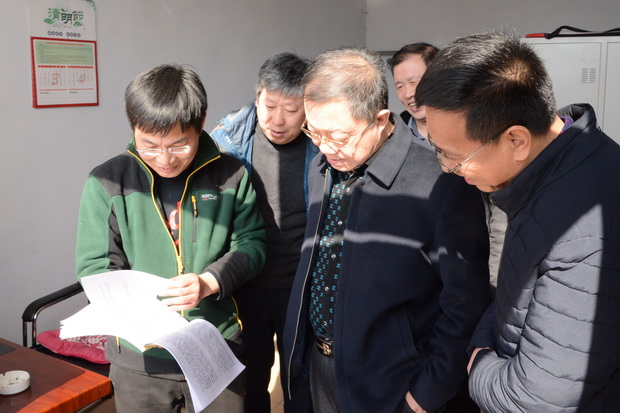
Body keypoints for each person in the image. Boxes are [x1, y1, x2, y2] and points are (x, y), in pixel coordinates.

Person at [416, 31, 620, 412]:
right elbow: (508, 301)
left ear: (516, 141)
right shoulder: (550, 168)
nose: (448, 169)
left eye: (456, 157)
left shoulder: (584, 231)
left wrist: (477, 362)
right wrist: (485, 340)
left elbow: (535, 400)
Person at [283, 47, 492, 413]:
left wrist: (426, 393)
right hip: (318, 367)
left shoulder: (439, 183)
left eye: (338, 136)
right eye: (314, 132)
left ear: (380, 119)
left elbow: (466, 304)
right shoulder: (323, 168)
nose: (325, 147)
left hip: (391, 383)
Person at [75, 63, 267, 413]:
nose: (164, 159)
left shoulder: (231, 175)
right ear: (133, 127)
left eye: (179, 144)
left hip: (215, 342)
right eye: (149, 146)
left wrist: (209, 282)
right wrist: (137, 309)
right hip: (139, 357)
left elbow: (252, 244)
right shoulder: (107, 182)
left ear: (201, 123)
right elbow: (95, 267)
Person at [210, 52, 318, 413]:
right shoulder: (228, 140)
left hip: (299, 285)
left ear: (308, 108)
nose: (277, 120)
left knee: (299, 379)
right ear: (257, 98)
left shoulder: (323, 145)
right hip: (245, 283)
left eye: (291, 109)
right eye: (269, 106)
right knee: (248, 379)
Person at [387, 43, 439, 142]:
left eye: (414, 82)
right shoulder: (391, 137)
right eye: (400, 86)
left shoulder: (467, 128)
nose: (408, 94)